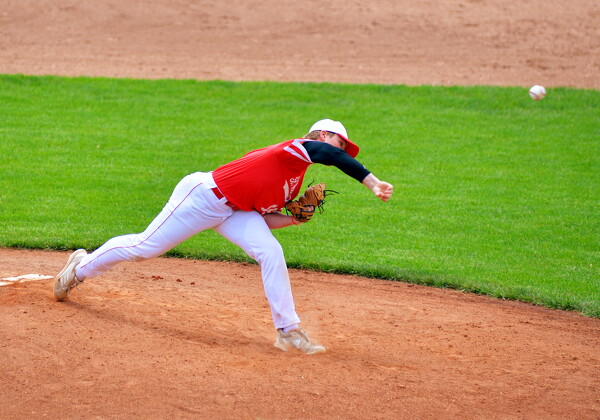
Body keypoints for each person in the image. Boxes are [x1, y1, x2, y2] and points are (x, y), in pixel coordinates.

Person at [53, 119, 394, 355]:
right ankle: (80, 268)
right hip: (203, 197)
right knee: (145, 247)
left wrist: (294, 219)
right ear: (321, 136)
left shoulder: (293, 181)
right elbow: (329, 155)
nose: (342, 150)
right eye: (340, 143)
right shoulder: (293, 150)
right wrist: (372, 182)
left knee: (270, 252)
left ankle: (288, 331)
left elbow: (263, 217)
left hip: (235, 210)